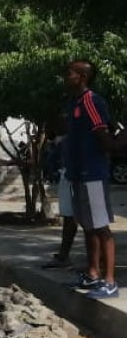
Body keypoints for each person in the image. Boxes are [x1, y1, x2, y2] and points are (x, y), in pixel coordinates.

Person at [62, 59, 118, 299]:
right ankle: (92, 273)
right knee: (88, 226)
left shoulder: (91, 102)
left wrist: (116, 144)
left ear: (82, 77)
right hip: (77, 174)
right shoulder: (75, 102)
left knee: (101, 227)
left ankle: (110, 281)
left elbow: (104, 137)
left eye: (70, 73)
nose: (66, 77)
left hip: (92, 174)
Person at [42, 131, 78, 269]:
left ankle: (65, 256)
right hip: (68, 173)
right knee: (71, 217)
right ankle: (64, 256)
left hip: (73, 174)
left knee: (78, 218)